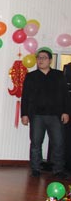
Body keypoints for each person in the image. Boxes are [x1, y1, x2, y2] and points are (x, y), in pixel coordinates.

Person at [21, 49, 70, 177]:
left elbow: (65, 95)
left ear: (50, 60)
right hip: (37, 116)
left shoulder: (59, 75)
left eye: (44, 58)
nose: (40, 60)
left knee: (58, 143)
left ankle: (58, 169)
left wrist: (66, 112)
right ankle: (35, 168)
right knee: (36, 143)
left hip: (55, 115)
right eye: (39, 58)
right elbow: (25, 96)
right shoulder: (31, 76)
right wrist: (24, 114)